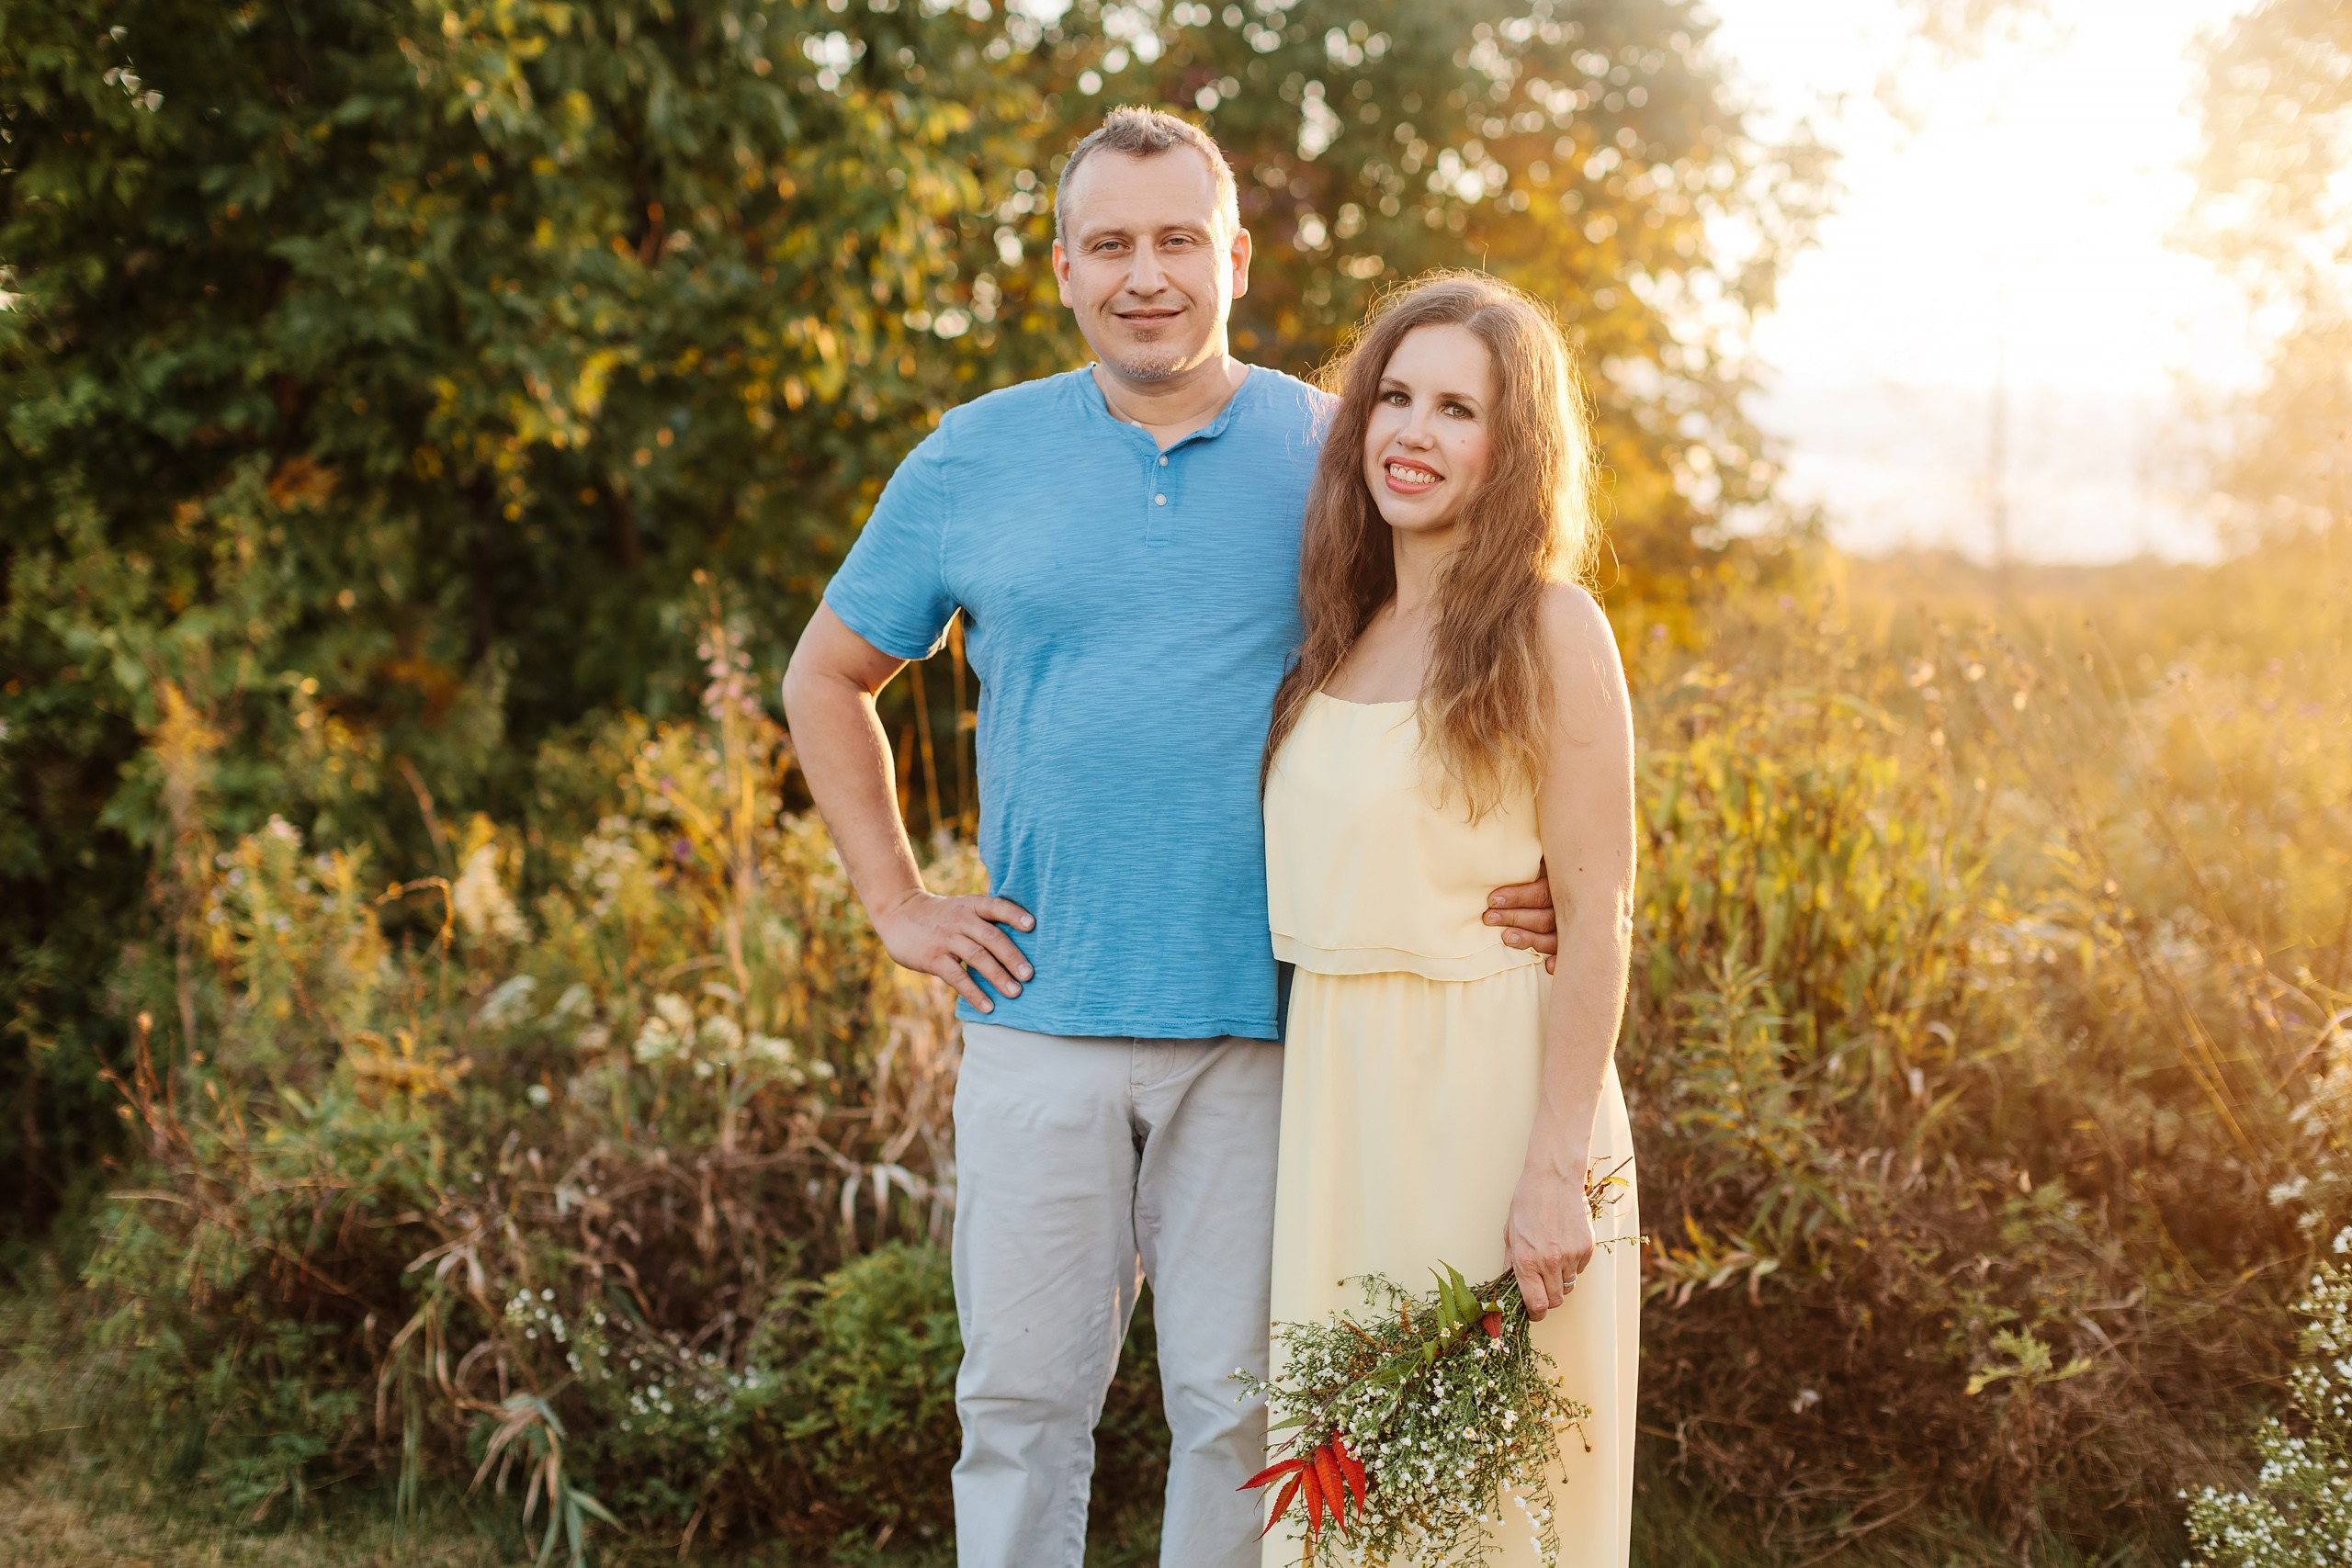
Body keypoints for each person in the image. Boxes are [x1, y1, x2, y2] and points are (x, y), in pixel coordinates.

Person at [780, 111, 1560, 1568]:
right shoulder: (972, 456)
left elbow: (1487, 637)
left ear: (1236, 259)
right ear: (1065, 268)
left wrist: (1524, 876)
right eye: (1115, 245)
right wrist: (894, 898)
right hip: (1037, 1015)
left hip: (1269, 1025)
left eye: (1180, 240)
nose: (1149, 275)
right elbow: (823, 677)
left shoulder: (1336, 451)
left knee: (1243, 1412)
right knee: (1017, 1402)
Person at [1258, 273, 1640, 1566]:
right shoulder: (1339, 633)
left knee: (1479, 1504)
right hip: (1338, 1100)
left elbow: (1600, 910)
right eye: (1395, 398)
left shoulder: (1549, 627)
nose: (1412, 433)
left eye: (1457, 409)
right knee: (1351, 1492)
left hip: (1488, 1095)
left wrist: (1552, 1169)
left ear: (1513, 445)